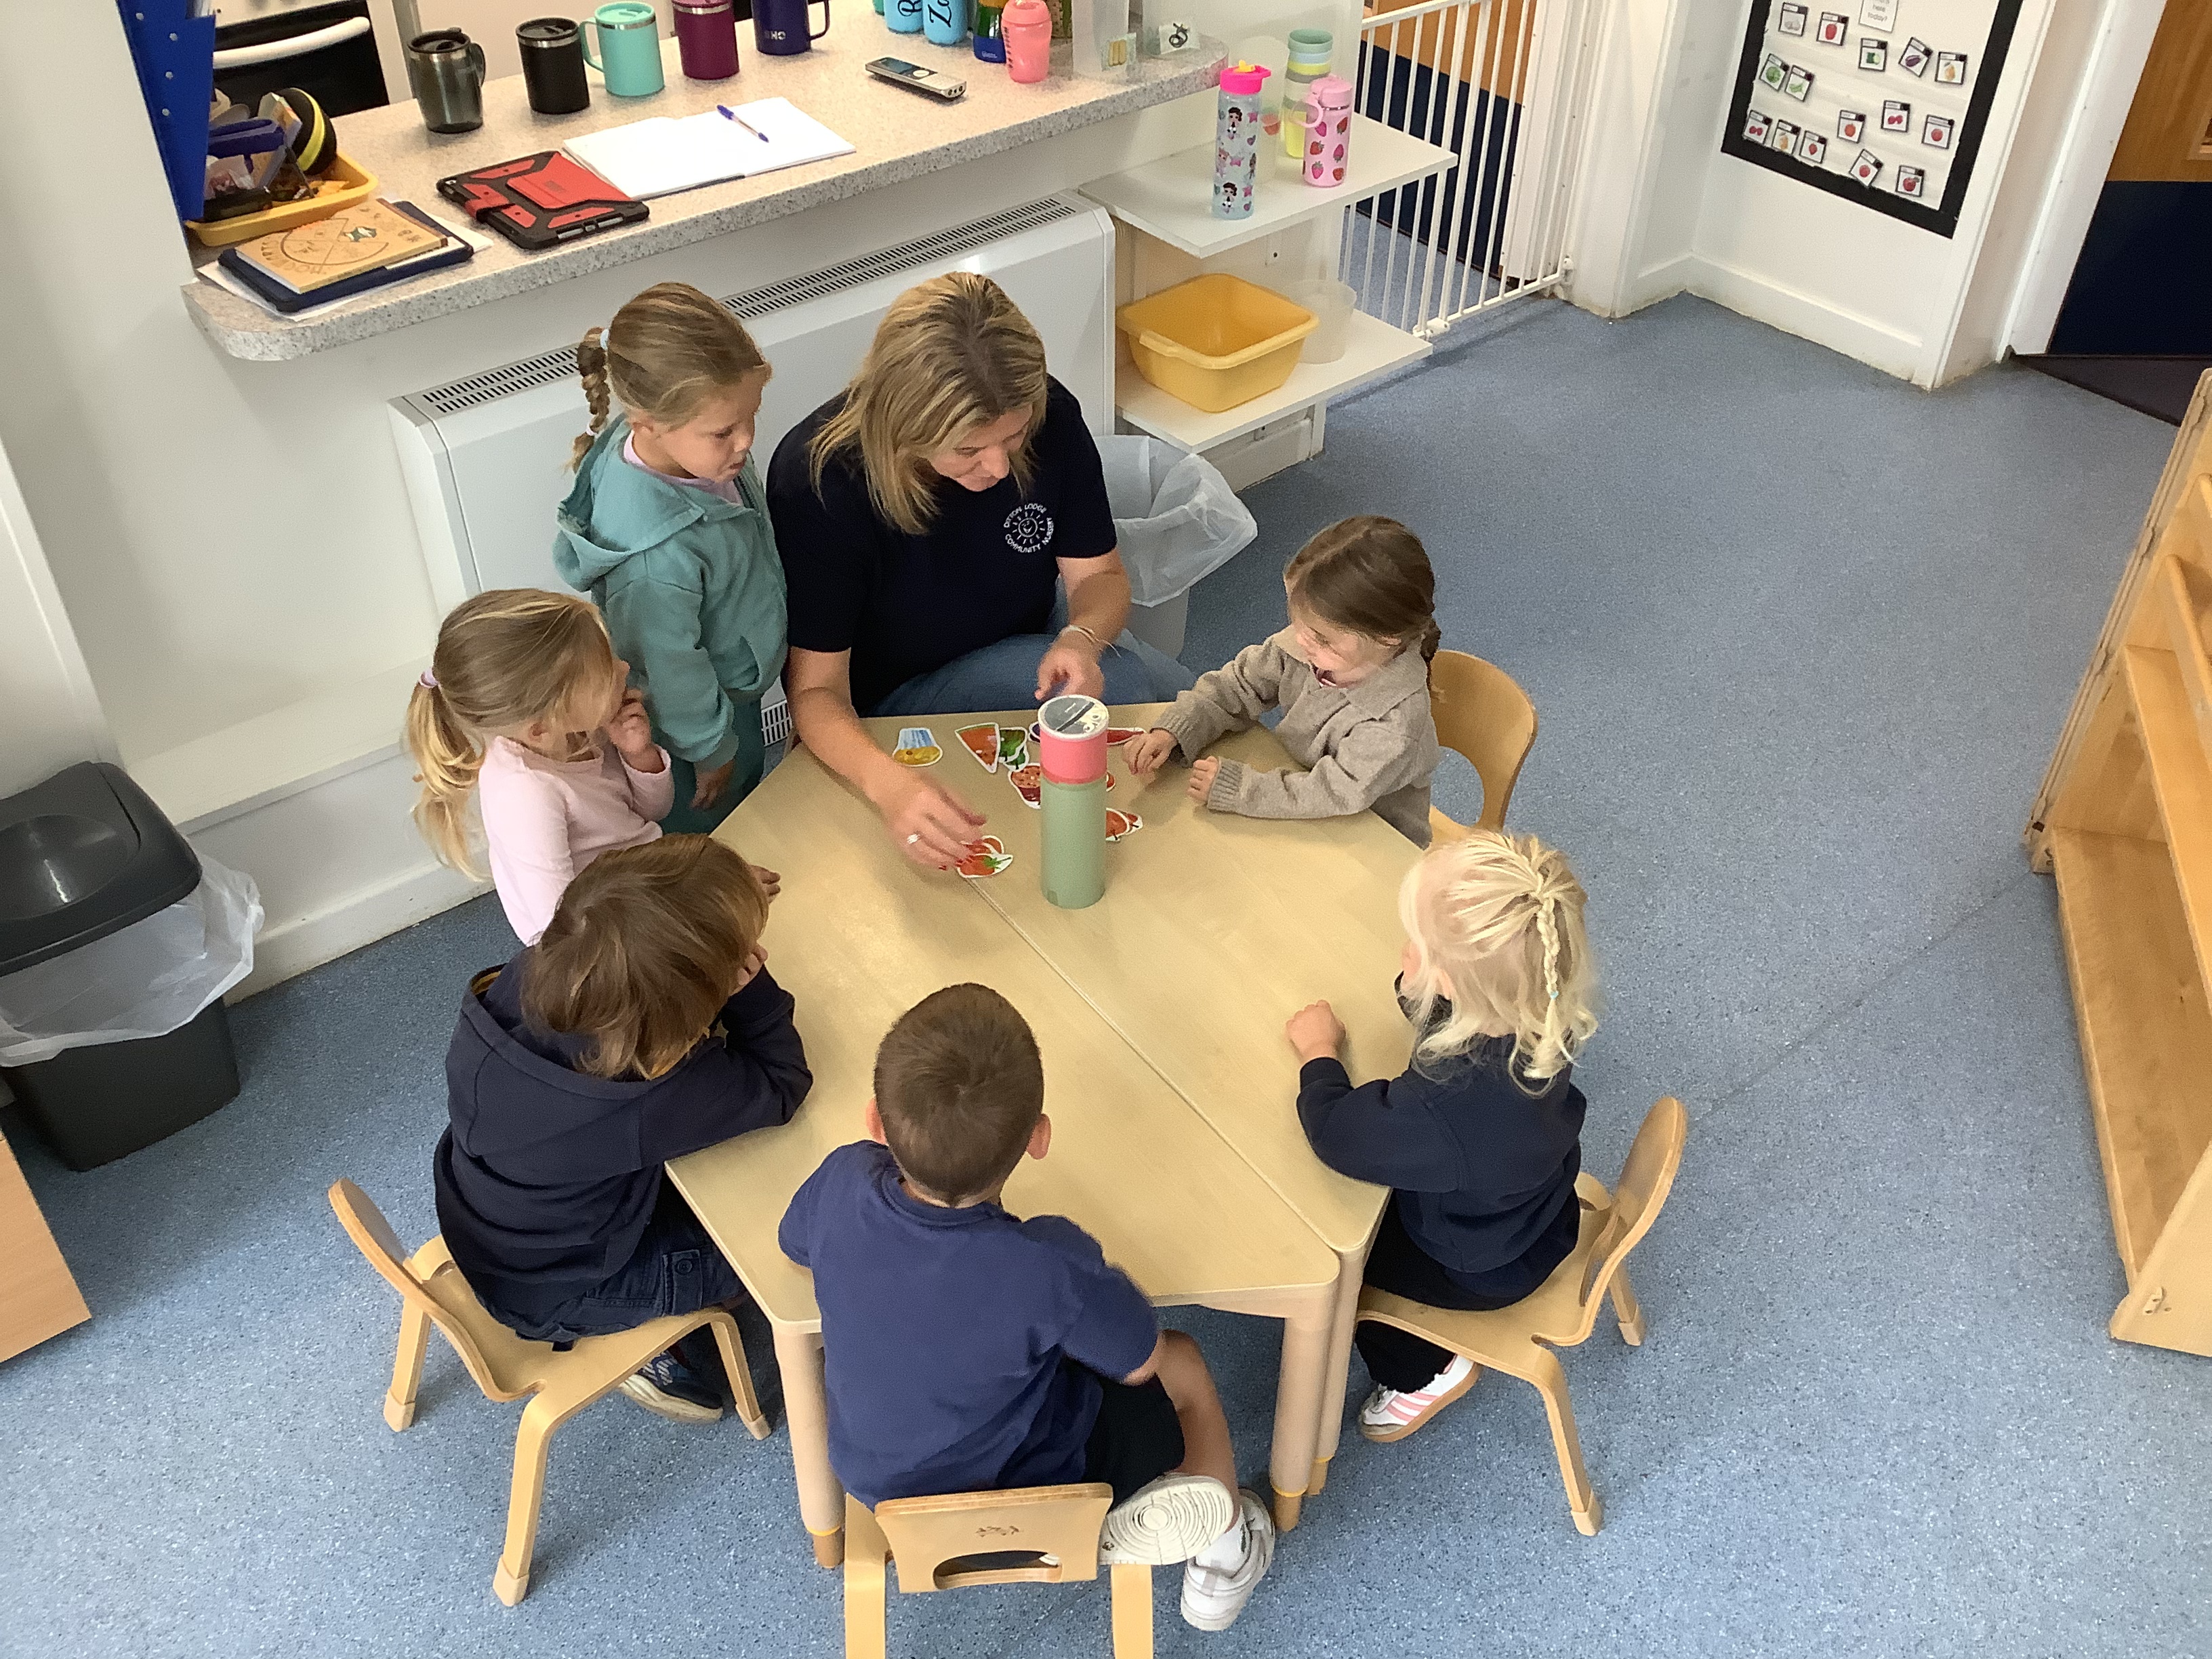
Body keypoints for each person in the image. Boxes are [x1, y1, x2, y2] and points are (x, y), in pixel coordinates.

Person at [779, 985, 1275, 1632]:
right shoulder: (1044, 1261)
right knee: (1184, 1360)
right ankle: (1223, 1561)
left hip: (885, 1492)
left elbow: (794, 1243)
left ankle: (1125, 1515)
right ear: (1039, 1139)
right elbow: (1140, 1358)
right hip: (1037, 1486)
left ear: (875, 1122)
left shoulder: (842, 1181)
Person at [766, 272, 1195, 869]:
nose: (997, 466)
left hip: (1034, 634)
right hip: (900, 691)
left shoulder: (1051, 414)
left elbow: (1100, 579)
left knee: (1192, 710)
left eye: (1013, 438)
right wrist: (889, 786)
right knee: (1131, 694)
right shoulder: (820, 479)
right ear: (903, 428)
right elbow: (815, 692)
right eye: (968, 449)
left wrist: (1082, 637)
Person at [434, 835, 811, 1424]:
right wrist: (751, 989)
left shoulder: (524, 977)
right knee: (778, 1245)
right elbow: (782, 1083)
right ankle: (636, 1340)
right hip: (575, 1287)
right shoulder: (646, 1096)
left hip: (493, 1225)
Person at [1283, 828, 1599, 1441]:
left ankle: (1422, 1373)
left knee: (1346, 1270)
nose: (1404, 951)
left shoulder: (1445, 1102)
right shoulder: (1543, 1007)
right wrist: (1428, 982)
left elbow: (1338, 1134)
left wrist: (1319, 1055)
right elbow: (1453, 1015)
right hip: (1536, 1212)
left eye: (1417, 947)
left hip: (1474, 1266)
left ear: (1454, 984)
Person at [555, 282, 787, 835]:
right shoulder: (656, 558)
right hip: (693, 729)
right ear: (647, 424)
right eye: (723, 431)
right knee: (716, 841)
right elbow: (667, 665)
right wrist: (712, 749)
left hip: (728, 690)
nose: (745, 441)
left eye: (750, 417)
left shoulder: (699, 456)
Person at [1125, 516, 1443, 844]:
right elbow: (1237, 685)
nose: (1301, 640)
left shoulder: (1394, 723)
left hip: (1375, 844)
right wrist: (1176, 730)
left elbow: (1336, 792)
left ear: (1387, 639)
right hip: (1304, 810)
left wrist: (1242, 789)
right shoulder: (1310, 646)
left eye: (1321, 637)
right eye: (1297, 621)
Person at [407, 589, 676, 947]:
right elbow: (560, 928)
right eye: (605, 676)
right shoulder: (526, 793)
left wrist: (638, 756)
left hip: (643, 884)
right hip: (610, 936)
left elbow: (651, 814)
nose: (624, 668)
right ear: (541, 729)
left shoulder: (581, 730)